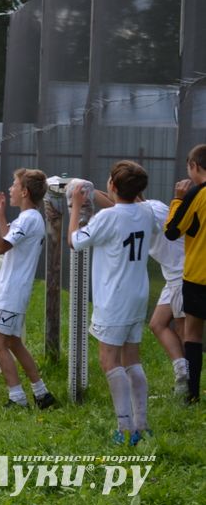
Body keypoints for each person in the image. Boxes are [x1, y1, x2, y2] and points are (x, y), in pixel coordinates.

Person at [68, 160, 155, 445]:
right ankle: (142, 425)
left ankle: (125, 428)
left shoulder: (107, 218)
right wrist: (96, 195)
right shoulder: (146, 211)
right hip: (137, 296)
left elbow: (75, 241)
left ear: (113, 185)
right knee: (132, 359)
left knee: (109, 361)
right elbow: (124, 209)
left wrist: (76, 207)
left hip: (114, 299)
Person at [95, 191, 189, 396]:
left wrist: (86, 191)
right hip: (173, 277)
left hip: (183, 276)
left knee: (185, 333)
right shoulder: (151, 206)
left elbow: (113, 208)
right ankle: (182, 372)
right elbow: (116, 205)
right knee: (157, 324)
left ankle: (189, 387)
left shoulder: (146, 212)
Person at [0, 168, 56, 410]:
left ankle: (17, 398)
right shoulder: (30, 218)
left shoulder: (28, 219)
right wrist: (0, 214)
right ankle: (42, 394)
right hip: (14, 291)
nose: (10, 189)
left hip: (12, 293)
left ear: (24, 192)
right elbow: (10, 239)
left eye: (14, 185)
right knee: (14, 342)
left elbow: (0, 247)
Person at [165, 143, 206, 404]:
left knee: (192, 334)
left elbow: (172, 231)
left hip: (199, 276)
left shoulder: (196, 194)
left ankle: (192, 394)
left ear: (194, 166)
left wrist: (178, 200)